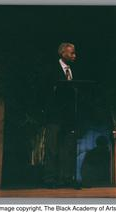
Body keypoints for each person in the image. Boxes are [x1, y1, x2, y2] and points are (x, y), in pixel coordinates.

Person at [41, 42, 81, 189]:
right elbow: (45, 91)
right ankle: (49, 178)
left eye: (74, 53)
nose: (74, 56)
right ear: (63, 53)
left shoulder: (73, 71)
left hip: (69, 117)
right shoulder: (51, 69)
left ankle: (66, 178)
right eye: (72, 53)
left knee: (67, 148)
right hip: (54, 116)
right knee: (52, 148)